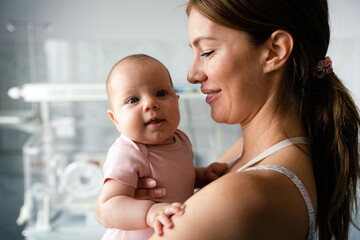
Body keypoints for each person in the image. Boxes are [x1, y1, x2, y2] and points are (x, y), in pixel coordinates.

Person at [97, 54, 227, 240]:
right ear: (116, 120)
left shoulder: (181, 140)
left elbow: (179, 175)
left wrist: (202, 175)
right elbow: (109, 207)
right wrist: (150, 212)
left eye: (160, 93)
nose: (151, 104)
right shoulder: (128, 152)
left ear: (177, 99)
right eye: (133, 100)